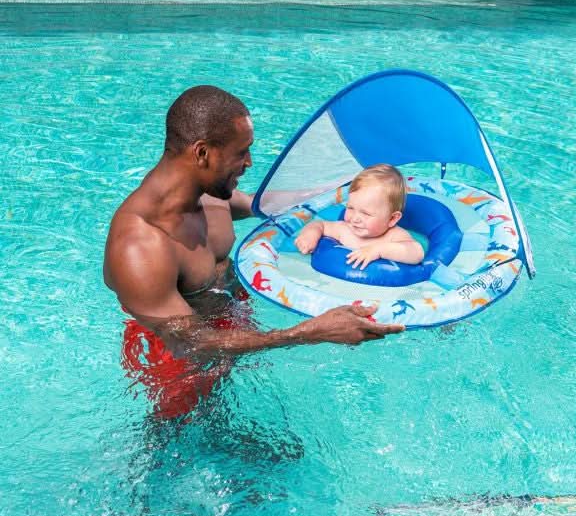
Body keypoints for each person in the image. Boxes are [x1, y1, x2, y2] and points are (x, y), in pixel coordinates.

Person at [103, 86, 404, 418]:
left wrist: (346, 189)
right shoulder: (140, 245)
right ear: (202, 153)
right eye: (241, 152)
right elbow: (191, 343)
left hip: (232, 325)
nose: (249, 163)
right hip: (179, 361)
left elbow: (262, 205)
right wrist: (311, 332)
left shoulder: (209, 192)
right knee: (185, 439)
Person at [295, 164, 425, 269]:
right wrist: (310, 234)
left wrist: (379, 250)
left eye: (365, 213)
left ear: (392, 219)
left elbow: (417, 252)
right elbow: (319, 225)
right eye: (350, 208)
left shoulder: (394, 236)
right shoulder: (344, 229)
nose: (355, 218)